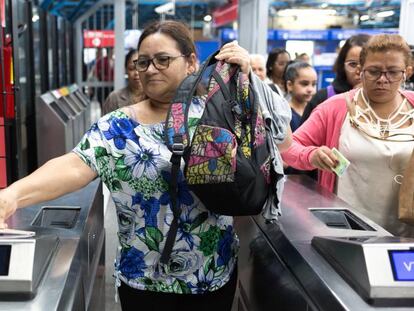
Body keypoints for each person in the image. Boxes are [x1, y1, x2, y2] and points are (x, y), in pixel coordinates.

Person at [0, 21, 291, 311]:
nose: (151, 69)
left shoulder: (218, 115)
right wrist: (12, 195)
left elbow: (282, 141)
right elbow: (75, 165)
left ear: (191, 62)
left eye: (162, 60)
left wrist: (252, 81)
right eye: (143, 62)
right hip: (143, 283)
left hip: (211, 276)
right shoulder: (118, 126)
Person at [281, 34, 414, 237]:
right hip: (347, 234)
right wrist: (312, 155)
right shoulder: (334, 108)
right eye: (374, 71)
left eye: (393, 72)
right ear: (360, 71)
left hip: (406, 236)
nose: (382, 79)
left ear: (407, 72)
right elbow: (288, 147)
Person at [301, 34, 371, 124]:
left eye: (365, 64)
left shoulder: (387, 101)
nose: (359, 71)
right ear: (342, 65)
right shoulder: (323, 98)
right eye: (353, 64)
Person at [102, 49, 145, 115]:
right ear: (126, 70)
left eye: (140, 67)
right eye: (131, 68)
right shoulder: (114, 98)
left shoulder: (156, 98)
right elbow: (104, 124)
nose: (136, 73)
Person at [284, 61, 317, 132]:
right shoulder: (285, 114)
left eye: (314, 84)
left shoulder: (315, 110)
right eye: (304, 84)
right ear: (290, 85)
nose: (310, 89)